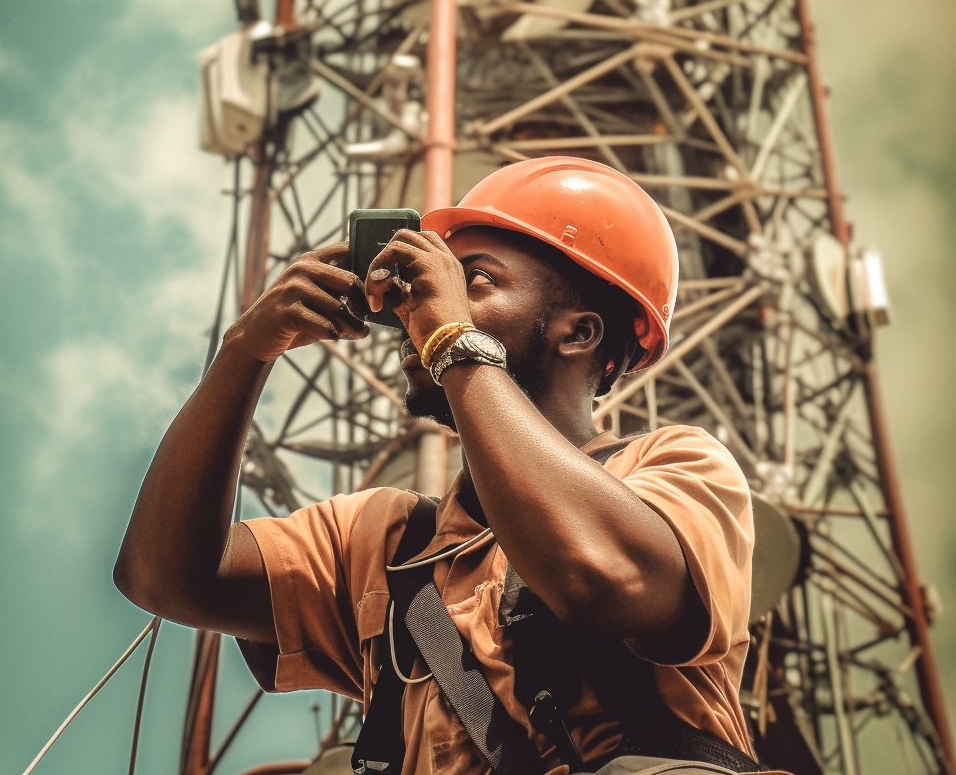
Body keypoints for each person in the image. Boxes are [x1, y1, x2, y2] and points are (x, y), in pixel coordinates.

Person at [114, 157, 762, 775]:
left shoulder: (676, 467)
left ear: (579, 333)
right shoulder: (390, 544)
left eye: (471, 280)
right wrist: (245, 352)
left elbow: (599, 577)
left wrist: (454, 340)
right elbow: (166, 577)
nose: (416, 310)